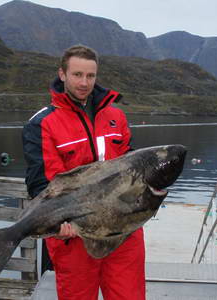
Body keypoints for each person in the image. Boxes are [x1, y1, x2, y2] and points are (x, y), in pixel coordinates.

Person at [22, 45, 145, 300]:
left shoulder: (117, 116)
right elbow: (40, 185)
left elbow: (132, 167)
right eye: (77, 74)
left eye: (90, 76)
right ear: (62, 74)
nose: (84, 82)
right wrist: (58, 223)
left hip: (123, 231)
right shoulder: (41, 123)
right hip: (73, 235)